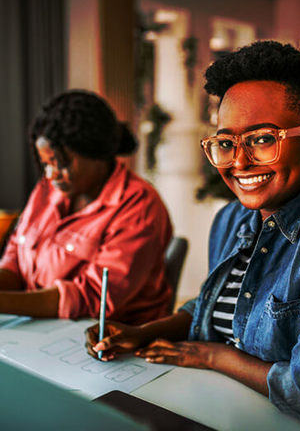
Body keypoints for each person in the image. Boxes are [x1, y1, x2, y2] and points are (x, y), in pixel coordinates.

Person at [86, 41, 300, 425]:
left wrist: (210, 356)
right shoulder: (231, 219)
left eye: (262, 139)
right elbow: (214, 307)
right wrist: (142, 332)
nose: (239, 162)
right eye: (226, 143)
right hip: (225, 410)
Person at [0, 90, 172, 325]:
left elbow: (92, 298)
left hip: (111, 341)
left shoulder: (139, 206)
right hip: (39, 329)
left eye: (62, 163)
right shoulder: (49, 188)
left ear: (97, 153)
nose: (51, 175)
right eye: (46, 164)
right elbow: (15, 259)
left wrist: (4, 303)